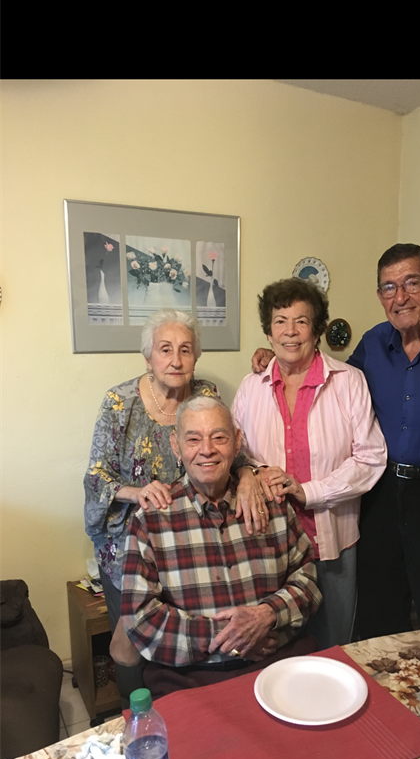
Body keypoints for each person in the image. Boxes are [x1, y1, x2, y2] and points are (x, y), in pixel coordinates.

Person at [252, 246, 420, 639]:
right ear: (380, 297)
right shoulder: (374, 344)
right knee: (379, 607)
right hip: (382, 493)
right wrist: (277, 356)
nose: (400, 296)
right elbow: (329, 378)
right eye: (389, 287)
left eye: (412, 283)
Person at [111, 394, 322, 694]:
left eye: (219, 437)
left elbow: (308, 579)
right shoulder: (151, 519)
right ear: (176, 446)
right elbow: (141, 619)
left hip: (279, 663)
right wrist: (234, 636)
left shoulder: (271, 503)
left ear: (237, 442)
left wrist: (268, 615)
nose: (206, 450)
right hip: (192, 677)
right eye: (193, 439)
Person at [84, 308, 268, 638]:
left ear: (195, 357)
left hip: (190, 550)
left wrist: (249, 476)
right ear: (148, 356)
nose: (176, 360)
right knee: (136, 646)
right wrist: (136, 493)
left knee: (187, 639)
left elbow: (228, 450)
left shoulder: (206, 395)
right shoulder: (120, 403)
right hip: (132, 549)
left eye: (185, 350)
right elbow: (97, 476)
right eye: (165, 349)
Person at [234, 278, 387, 649]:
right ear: (268, 332)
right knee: (275, 650)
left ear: (316, 330)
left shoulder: (349, 382)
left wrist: (310, 491)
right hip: (269, 545)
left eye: (301, 321)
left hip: (330, 540)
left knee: (334, 648)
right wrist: (250, 473)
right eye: (280, 321)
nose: (290, 332)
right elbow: (235, 452)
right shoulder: (250, 387)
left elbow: (371, 455)